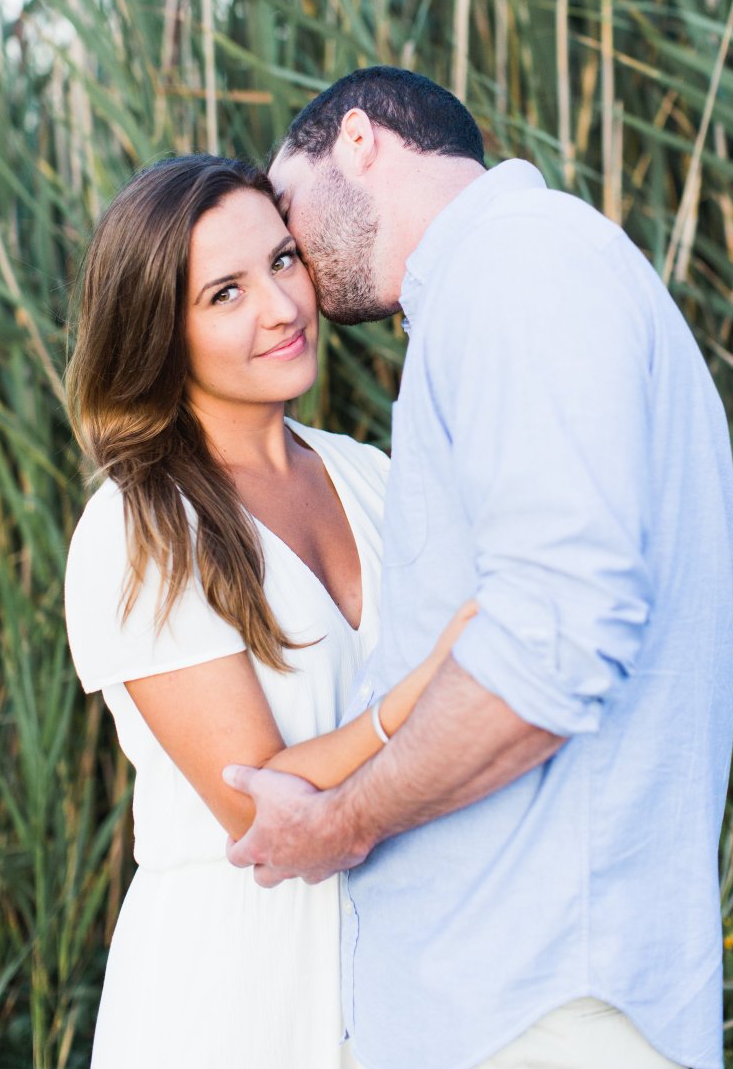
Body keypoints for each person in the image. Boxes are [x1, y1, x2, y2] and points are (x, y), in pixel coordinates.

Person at [225, 67, 733, 1069]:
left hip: (539, 1004)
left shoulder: (518, 266)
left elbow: (550, 638)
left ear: (359, 141)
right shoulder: (509, 280)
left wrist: (341, 822)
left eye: (285, 221)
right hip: (524, 998)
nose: (290, 275)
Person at [63, 153, 473, 1069]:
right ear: (158, 330)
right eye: (225, 294)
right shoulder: (141, 526)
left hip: (398, 979)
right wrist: (438, 681)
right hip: (232, 986)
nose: (282, 307)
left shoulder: (374, 476)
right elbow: (260, 805)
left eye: (284, 261)